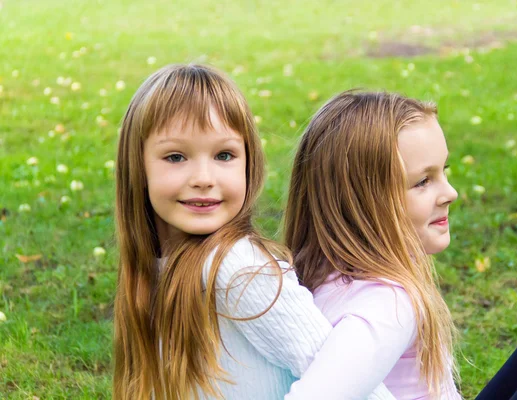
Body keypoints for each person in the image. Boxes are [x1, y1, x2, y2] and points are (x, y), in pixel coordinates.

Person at [284, 90, 517, 400]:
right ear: (359, 203)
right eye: (423, 181)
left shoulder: (321, 270)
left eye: (443, 171)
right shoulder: (386, 306)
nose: (451, 193)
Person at [112, 65, 394, 400]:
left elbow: (346, 379)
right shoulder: (154, 267)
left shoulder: (239, 266)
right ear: (137, 167)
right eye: (176, 156)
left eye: (224, 155)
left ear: (249, 162)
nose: (203, 177)